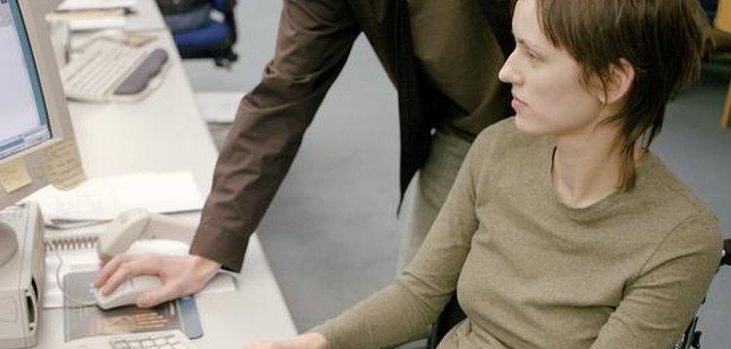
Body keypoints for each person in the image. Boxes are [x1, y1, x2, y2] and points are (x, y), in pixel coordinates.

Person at [236, 0, 721, 349]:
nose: (505, 70)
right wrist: (311, 343)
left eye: (533, 56)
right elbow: (418, 296)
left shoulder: (680, 237)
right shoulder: (497, 150)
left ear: (612, 80)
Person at [94, 1, 514, 306]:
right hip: (464, 127)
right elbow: (285, 94)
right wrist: (211, 246)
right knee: (420, 305)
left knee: (535, 311)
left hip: (567, 121)